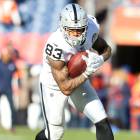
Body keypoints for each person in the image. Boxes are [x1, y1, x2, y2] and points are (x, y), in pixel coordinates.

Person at [35, 3, 113, 140]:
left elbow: (106, 50)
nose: (76, 35)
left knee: (102, 120)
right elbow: (65, 88)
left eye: (80, 30)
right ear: (63, 27)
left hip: (78, 78)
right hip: (54, 84)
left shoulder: (91, 29)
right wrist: (86, 73)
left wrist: (100, 59)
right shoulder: (56, 45)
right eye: (72, 30)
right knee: (55, 133)